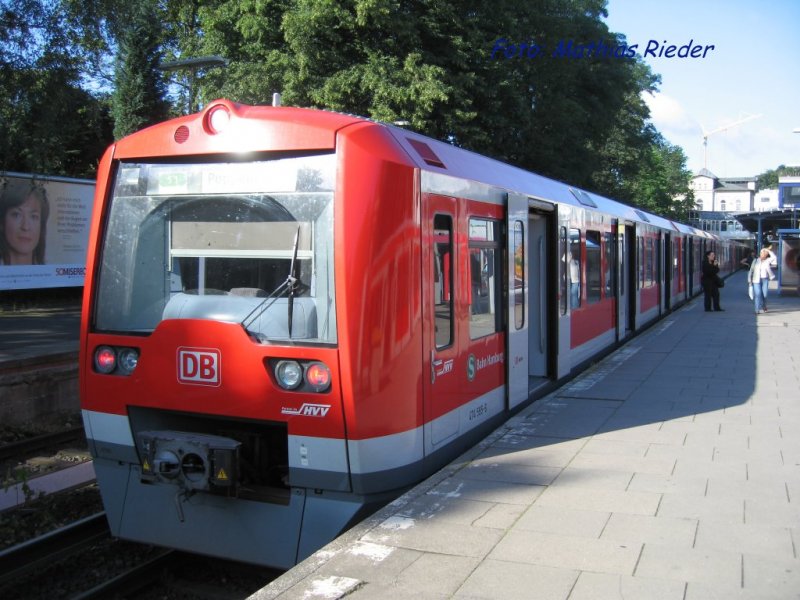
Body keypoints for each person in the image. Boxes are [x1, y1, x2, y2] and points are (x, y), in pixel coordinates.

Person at [0, 180, 49, 265]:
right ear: (2, 222)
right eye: (16, 215)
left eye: (34, 217)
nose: (25, 227)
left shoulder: (50, 273)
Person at [748, 248, 776, 314]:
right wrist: (749, 279)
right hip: (756, 280)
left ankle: (764, 306)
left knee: (764, 295)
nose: (763, 255)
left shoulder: (768, 260)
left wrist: (768, 250)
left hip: (764, 280)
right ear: (760, 254)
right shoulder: (755, 261)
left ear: (767, 255)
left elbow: (774, 257)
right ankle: (756, 309)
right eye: (762, 253)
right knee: (758, 294)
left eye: (765, 254)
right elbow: (751, 270)